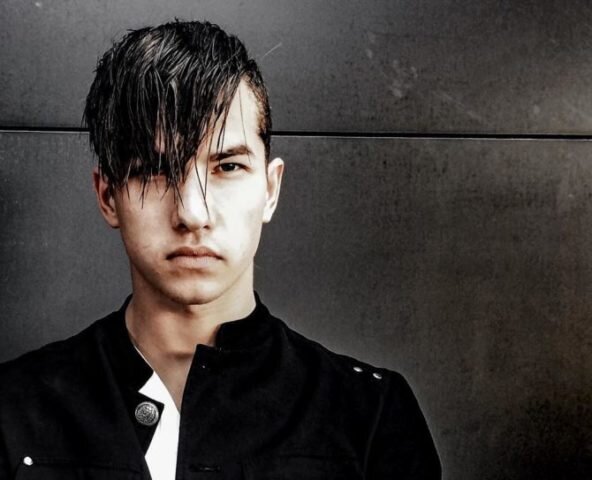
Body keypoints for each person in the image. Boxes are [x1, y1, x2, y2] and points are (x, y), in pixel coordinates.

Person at [0, 20, 440, 479]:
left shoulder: (369, 415)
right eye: (154, 171)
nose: (193, 213)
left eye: (227, 166)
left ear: (270, 189)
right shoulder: (12, 409)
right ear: (108, 196)